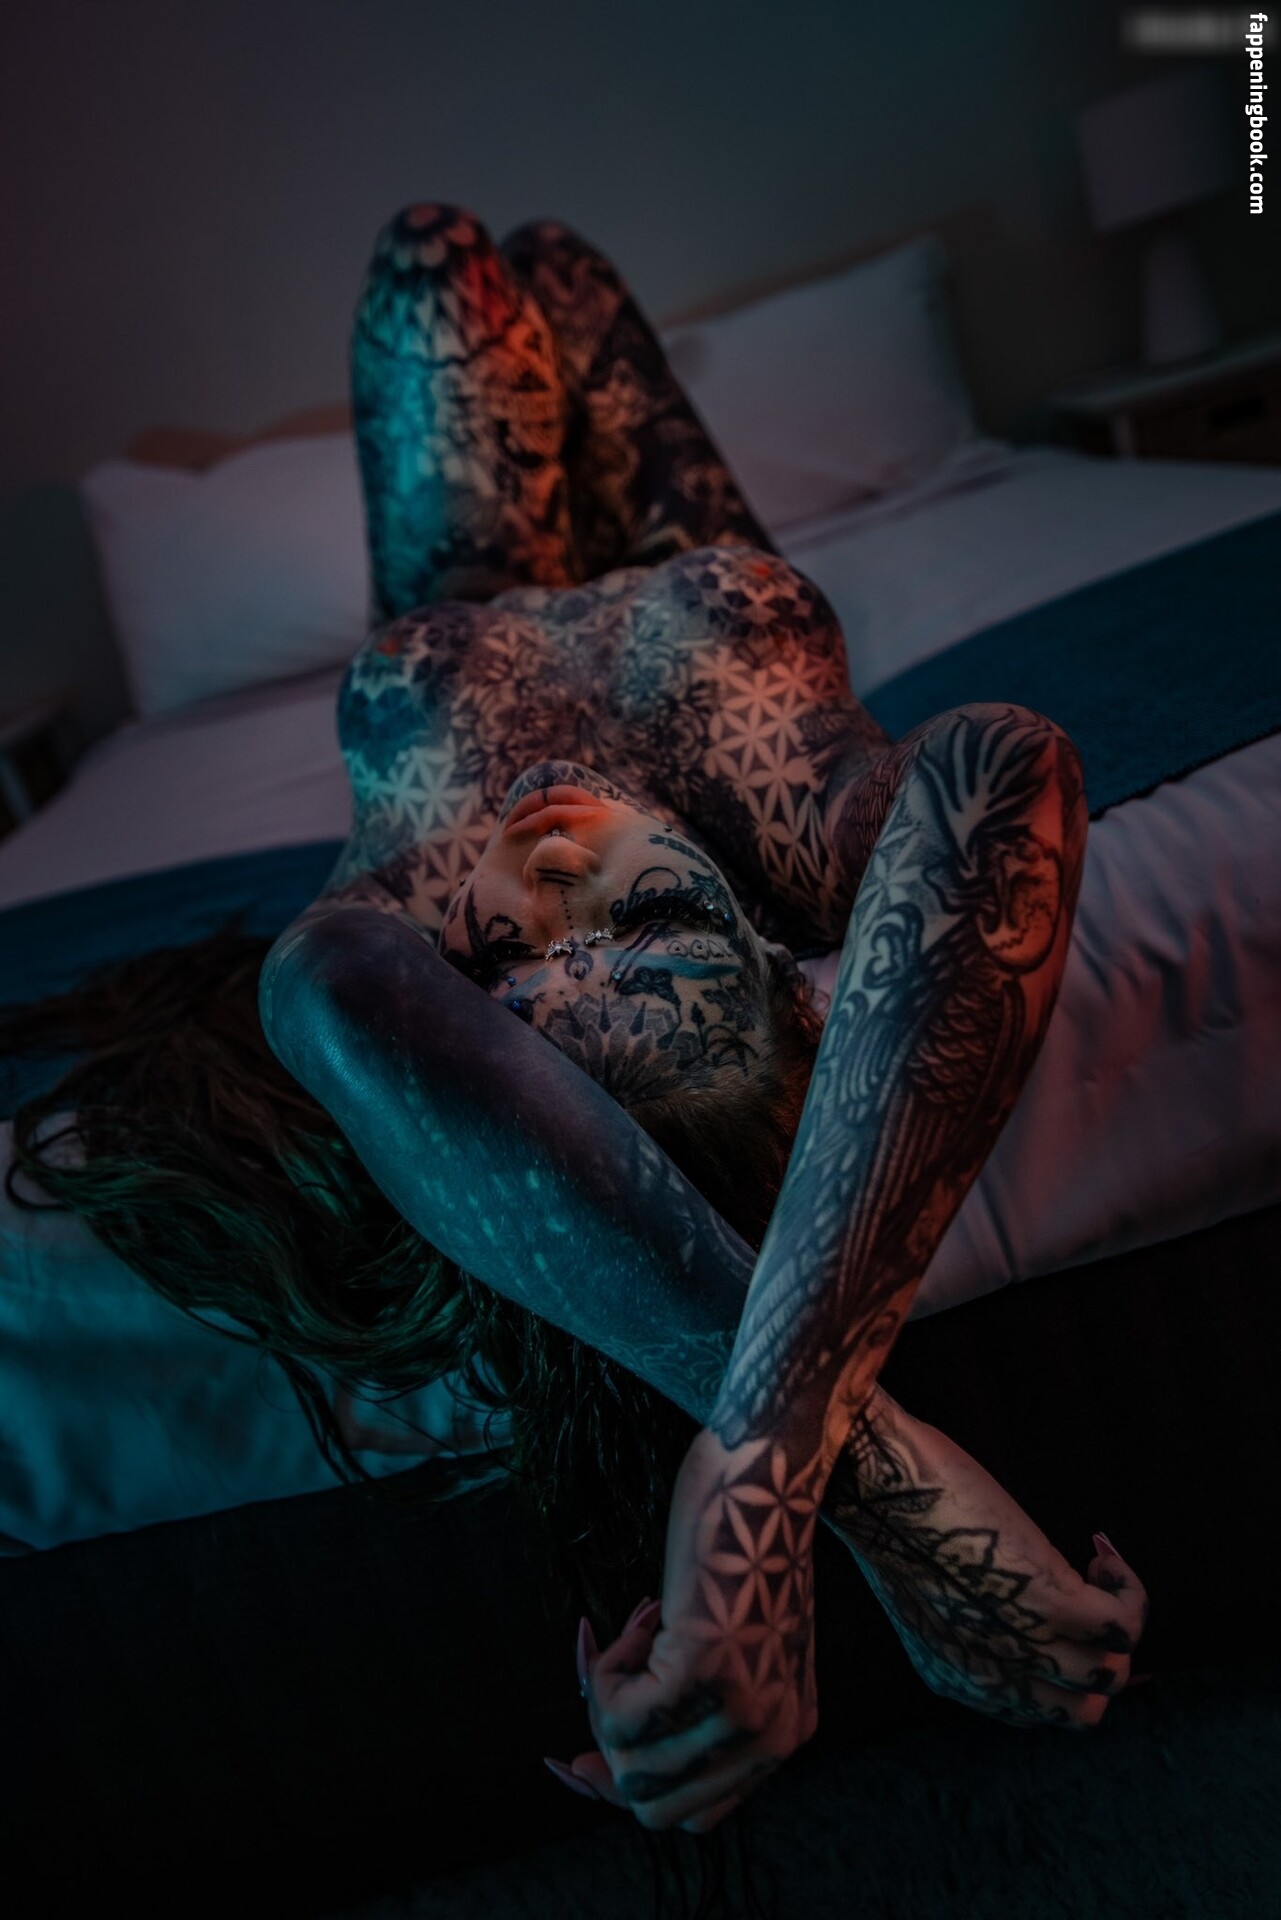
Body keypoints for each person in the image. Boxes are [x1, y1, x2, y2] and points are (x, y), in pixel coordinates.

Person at [1, 205, 1147, 1844]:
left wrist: (733, 1479)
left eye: (535, 968)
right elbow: (1004, 766)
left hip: (458, 602)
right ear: (758, 961)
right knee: (555, 264)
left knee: (437, 255)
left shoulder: (412, 904)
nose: (564, 888)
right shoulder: (804, 838)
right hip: (700, 561)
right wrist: (824, 1483)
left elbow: (329, 999)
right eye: (650, 934)